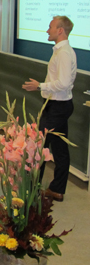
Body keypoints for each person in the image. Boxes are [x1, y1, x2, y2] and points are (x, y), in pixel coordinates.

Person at [22, 16, 77, 202]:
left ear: (60, 30)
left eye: (50, 27)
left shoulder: (63, 53)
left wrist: (40, 86)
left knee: (39, 147)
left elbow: (63, 83)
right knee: (60, 149)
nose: (47, 30)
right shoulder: (61, 51)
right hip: (57, 105)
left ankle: (30, 191)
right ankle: (56, 189)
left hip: (58, 107)